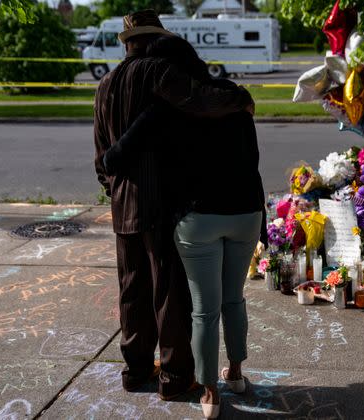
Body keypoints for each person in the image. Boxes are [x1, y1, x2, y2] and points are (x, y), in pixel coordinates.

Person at [93, 10, 255, 401]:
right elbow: (202, 100)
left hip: (123, 202)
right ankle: (176, 377)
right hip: (160, 199)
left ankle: (135, 370)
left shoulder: (106, 84)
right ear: (153, 40)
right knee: (169, 291)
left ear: (127, 43)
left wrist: (115, 187)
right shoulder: (158, 72)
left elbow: (101, 156)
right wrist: (241, 99)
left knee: (131, 288)